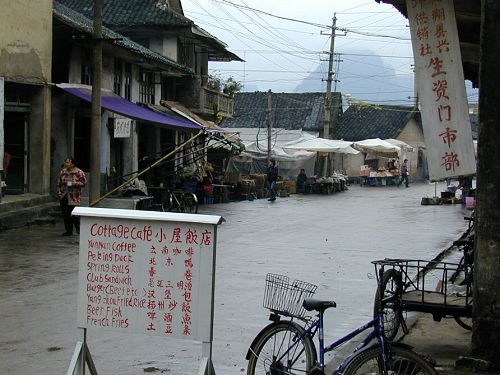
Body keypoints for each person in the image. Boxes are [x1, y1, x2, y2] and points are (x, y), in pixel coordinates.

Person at [56, 157, 87, 236]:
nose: (66, 164)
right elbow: (58, 183)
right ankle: (68, 231)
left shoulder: (78, 172)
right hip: (64, 195)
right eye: (65, 162)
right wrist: (59, 193)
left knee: (74, 215)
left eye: (68, 162)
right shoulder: (63, 172)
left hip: (74, 196)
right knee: (65, 215)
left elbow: (84, 183)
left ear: (72, 164)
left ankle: (79, 230)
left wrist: (74, 183)